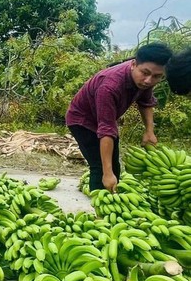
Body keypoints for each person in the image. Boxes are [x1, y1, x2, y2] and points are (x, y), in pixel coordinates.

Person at [66, 42, 173, 193]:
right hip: (82, 120)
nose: (149, 80)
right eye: (145, 73)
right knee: (100, 167)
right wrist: (107, 174)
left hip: (105, 119)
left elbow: (145, 102)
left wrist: (149, 130)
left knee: (114, 166)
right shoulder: (109, 86)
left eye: (156, 76)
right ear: (133, 64)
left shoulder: (145, 79)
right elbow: (106, 130)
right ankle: (99, 210)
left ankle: (113, 198)